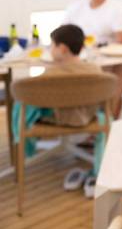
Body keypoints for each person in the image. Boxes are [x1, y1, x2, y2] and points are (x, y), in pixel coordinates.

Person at [12, 24, 107, 198]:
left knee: (22, 103)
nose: (50, 49)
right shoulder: (96, 71)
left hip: (59, 118)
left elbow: (26, 94)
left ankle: (25, 146)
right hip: (88, 118)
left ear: (62, 48)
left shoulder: (50, 74)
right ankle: (96, 173)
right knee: (105, 117)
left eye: (52, 45)